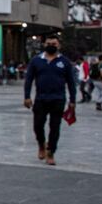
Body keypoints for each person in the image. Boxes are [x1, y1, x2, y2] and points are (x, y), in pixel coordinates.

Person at [23, 34, 77, 165]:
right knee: (38, 125)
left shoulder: (64, 62)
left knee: (55, 127)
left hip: (58, 99)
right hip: (41, 98)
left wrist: (72, 100)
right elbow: (29, 79)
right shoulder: (36, 60)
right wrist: (27, 96)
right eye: (48, 44)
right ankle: (41, 144)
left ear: (59, 45)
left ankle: (51, 152)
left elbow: (71, 82)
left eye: (54, 44)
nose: (51, 46)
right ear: (44, 44)